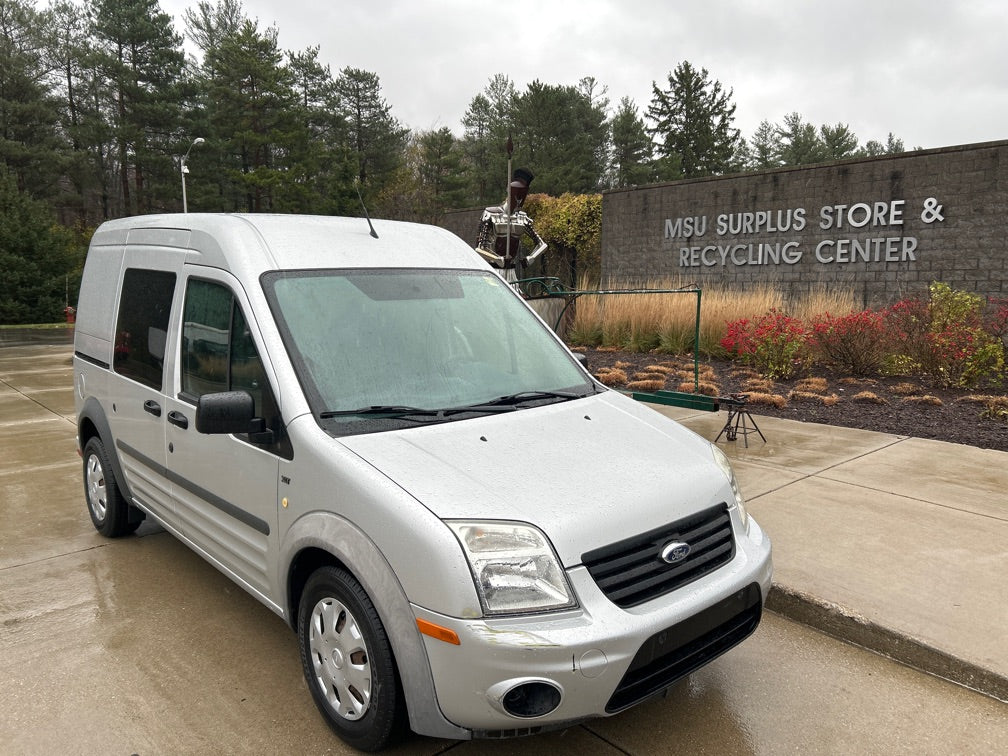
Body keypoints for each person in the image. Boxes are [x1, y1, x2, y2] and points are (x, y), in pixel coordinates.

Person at [474, 168, 547, 283]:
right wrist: (497, 259)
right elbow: (479, 248)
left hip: (512, 273)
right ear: (511, 192)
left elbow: (542, 244)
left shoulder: (522, 218)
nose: (519, 199)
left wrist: (531, 258)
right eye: (517, 193)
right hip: (494, 272)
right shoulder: (491, 214)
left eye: (522, 194)